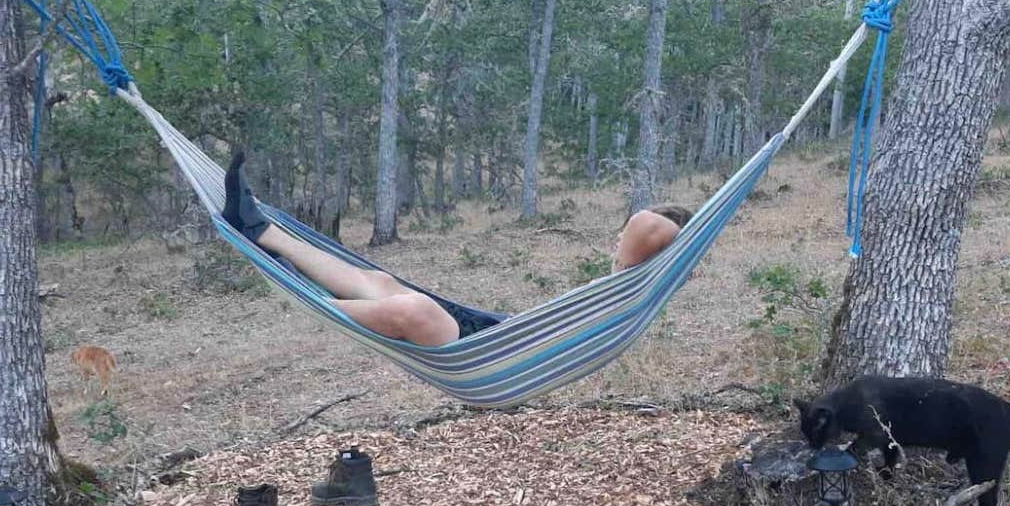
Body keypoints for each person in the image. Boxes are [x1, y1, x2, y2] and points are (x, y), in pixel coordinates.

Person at [221, 152, 693, 347]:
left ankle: (314, 301)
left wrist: (671, 236)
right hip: (502, 335)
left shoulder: (633, 279)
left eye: (625, 241)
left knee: (416, 311)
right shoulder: (627, 282)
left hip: (500, 359)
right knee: (385, 284)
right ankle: (260, 232)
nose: (618, 240)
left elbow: (648, 225)